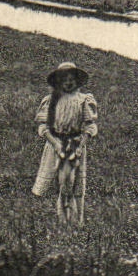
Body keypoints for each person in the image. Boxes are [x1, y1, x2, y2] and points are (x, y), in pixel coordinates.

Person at [32, 61, 98, 223]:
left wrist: (81, 144)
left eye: (71, 78)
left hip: (75, 144)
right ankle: (62, 219)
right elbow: (43, 126)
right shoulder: (51, 100)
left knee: (75, 183)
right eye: (64, 79)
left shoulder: (83, 100)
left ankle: (77, 221)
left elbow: (90, 125)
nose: (68, 82)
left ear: (77, 81)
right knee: (61, 183)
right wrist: (55, 143)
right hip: (56, 144)